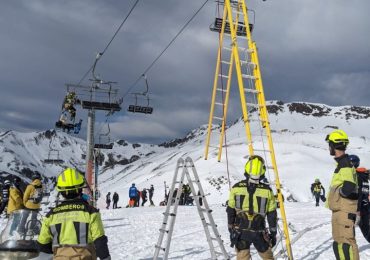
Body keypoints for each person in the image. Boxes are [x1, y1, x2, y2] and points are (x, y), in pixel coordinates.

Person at [37, 168, 111, 260]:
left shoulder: (50, 215)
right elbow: (100, 242)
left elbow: (43, 244)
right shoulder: (91, 212)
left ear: (61, 191)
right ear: (80, 189)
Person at [227, 155, 277, 259]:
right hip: (259, 231)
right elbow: (272, 214)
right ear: (262, 171)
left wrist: (230, 227)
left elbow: (231, 209)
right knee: (268, 257)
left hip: (240, 231)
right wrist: (273, 233)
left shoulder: (236, 187)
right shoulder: (267, 190)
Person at [325, 130, 359, 259]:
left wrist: (339, 193)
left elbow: (349, 185)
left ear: (334, 145)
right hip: (339, 210)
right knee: (338, 242)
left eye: (330, 144)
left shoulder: (345, 163)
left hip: (345, 210)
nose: (329, 147)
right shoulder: (341, 163)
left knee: (347, 243)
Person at [349, 154, 370, 242]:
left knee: (350, 230)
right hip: (366, 206)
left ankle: (350, 249)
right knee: (366, 229)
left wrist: (357, 211)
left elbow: (359, 194)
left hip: (359, 208)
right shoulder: (363, 175)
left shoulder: (356, 176)